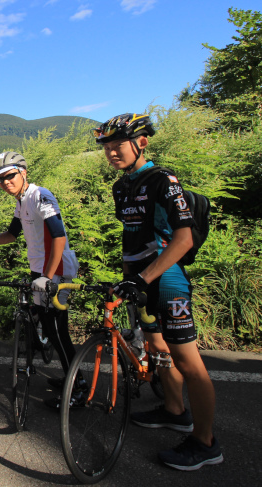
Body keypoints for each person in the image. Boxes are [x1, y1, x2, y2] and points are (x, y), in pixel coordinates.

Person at [95, 113, 222, 470]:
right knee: (155, 345)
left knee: (188, 361)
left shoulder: (163, 180)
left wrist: (145, 277)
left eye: (117, 145)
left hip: (166, 281)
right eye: (107, 147)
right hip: (139, 280)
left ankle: (206, 442)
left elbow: (182, 240)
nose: (111, 153)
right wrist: (126, 279)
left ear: (142, 142)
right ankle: (174, 410)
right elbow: (132, 236)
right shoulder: (122, 186)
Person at [0, 152, 82, 407]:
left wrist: (48, 277)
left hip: (56, 269)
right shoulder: (21, 201)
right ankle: (70, 376)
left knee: (56, 330)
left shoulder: (40, 196)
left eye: (10, 176)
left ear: (23, 173)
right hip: (39, 270)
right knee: (50, 327)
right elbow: (12, 234)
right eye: (0, 179)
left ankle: (79, 386)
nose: (6, 182)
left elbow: (59, 237)